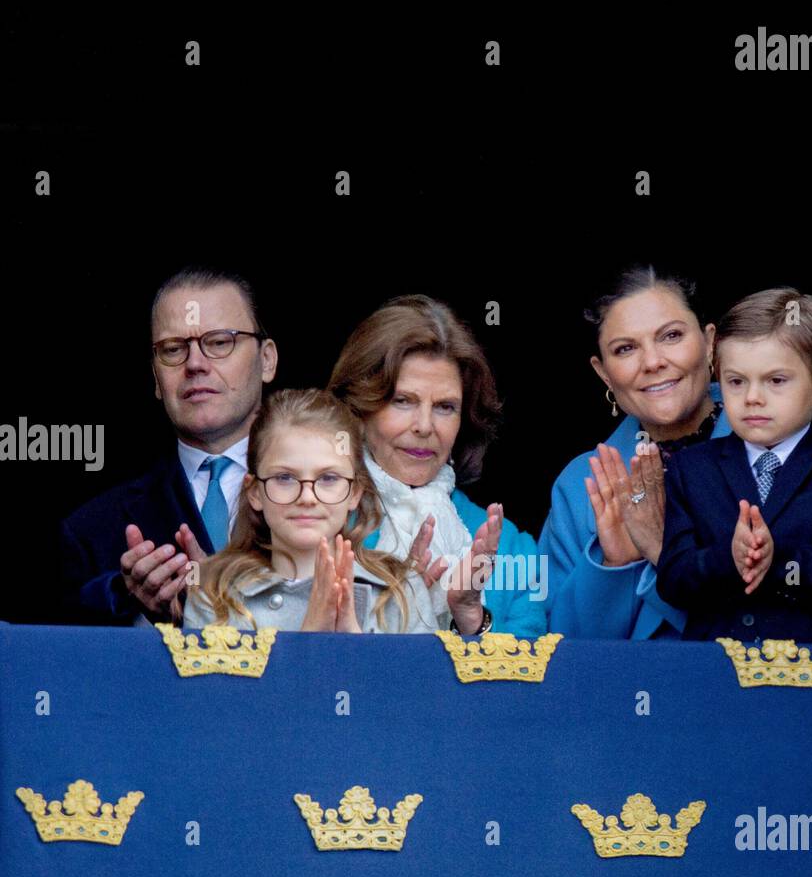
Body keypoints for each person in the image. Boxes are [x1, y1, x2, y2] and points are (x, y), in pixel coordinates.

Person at [653, 288, 812, 644]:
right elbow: (673, 579)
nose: (753, 397)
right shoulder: (691, 468)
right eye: (736, 381)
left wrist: (778, 560)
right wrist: (729, 557)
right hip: (714, 670)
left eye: (776, 380)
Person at [58, 266, 277, 625]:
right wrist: (129, 601)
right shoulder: (92, 530)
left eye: (219, 342)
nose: (195, 364)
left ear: (267, 360)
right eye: (173, 349)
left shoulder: (335, 495)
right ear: (156, 379)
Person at [327, 294, 548, 637]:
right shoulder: (317, 520)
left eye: (445, 407)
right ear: (358, 408)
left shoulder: (511, 547)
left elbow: (529, 685)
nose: (425, 426)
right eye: (403, 401)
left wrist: (471, 616)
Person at [538, 267, 733, 639]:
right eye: (625, 349)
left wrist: (662, 552)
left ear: (710, 343)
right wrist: (614, 564)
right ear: (604, 374)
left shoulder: (769, 451)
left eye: (671, 336)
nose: (652, 362)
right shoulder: (582, 485)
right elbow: (554, 656)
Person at [183, 389, 457, 633]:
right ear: (255, 492)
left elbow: (423, 690)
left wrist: (350, 648)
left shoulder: (401, 589)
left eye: (328, 479)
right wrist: (310, 639)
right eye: (284, 478)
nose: (307, 497)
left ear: (354, 493)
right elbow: (215, 692)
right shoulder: (213, 591)